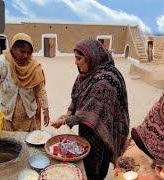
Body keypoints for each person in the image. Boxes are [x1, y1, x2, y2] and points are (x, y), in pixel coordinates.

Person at [51, 38, 130, 180]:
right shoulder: (86, 74)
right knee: (87, 161)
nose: (76, 62)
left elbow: (92, 113)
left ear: (91, 57)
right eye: (75, 58)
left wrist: (66, 121)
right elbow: (76, 97)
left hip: (102, 132)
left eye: (79, 58)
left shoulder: (105, 81)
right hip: (87, 129)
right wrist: (66, 115)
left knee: (97, 167)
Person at [0, 33, 49, 131]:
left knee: (29, 141)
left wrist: (45, 109)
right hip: (7, 115)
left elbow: (40, 90)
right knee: (9, 143)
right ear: (13, 49)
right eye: (22, 51)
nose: (26, 55)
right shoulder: (2, 63)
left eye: (29, 52)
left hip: (28, 116)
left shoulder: (34, 67)